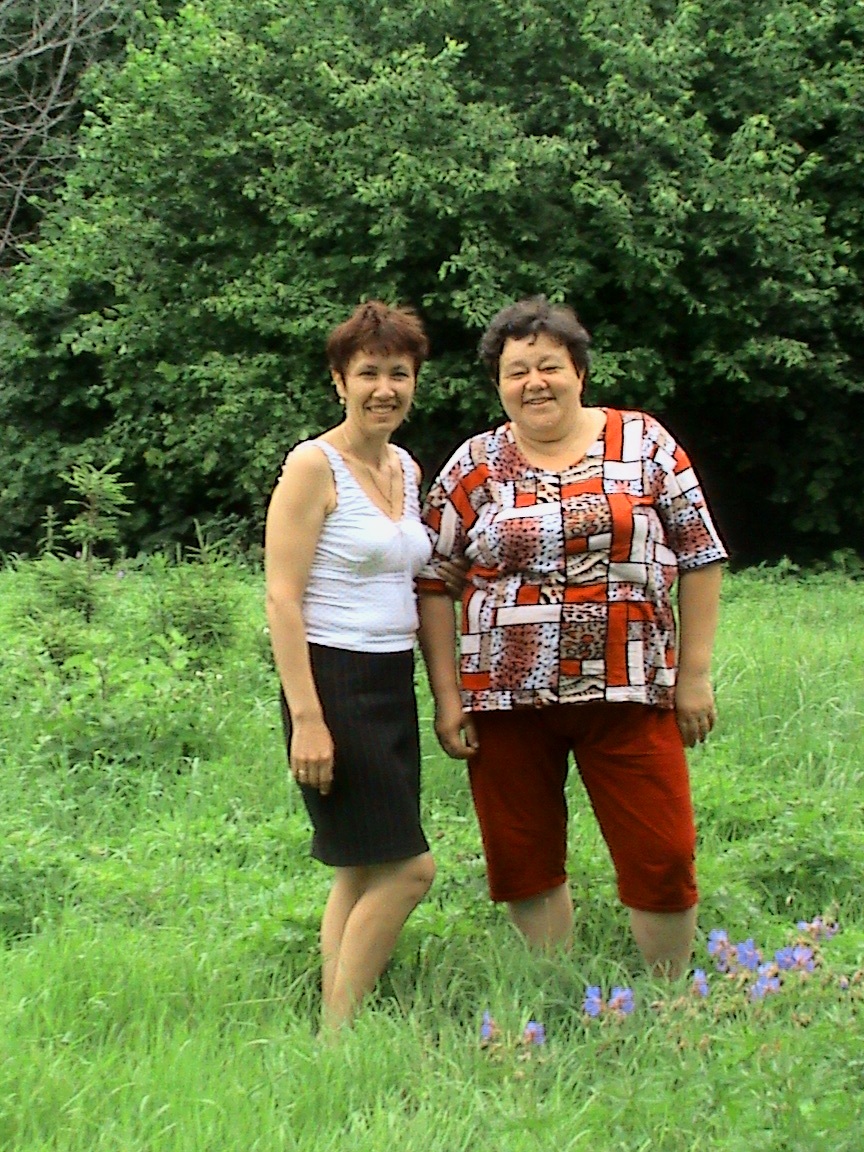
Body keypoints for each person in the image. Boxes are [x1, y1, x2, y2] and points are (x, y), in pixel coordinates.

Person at [418, 295, 727, 978]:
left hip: (632, 689)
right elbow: (433, 579)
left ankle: (669, 999)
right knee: (521, 852)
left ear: (579, 372)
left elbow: (701, 553)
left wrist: (695, 675)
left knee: (662, 850)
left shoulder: (644, 443)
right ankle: (555, 987)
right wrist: (447, 696)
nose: (535, 382)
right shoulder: (475, 463)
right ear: (499, 385)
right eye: (516, 371)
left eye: (549, 366)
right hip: (504, 700)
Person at [265, 300, 436, 1033]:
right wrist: (308, 719)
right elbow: (281, 596)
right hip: (333, 682)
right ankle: (342, 1033)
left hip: (391, 681)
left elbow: (410, 574)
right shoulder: (313, 464)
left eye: (399, 373)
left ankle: (332, 1026)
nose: (384, 389)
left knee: (362, 865)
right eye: (368, 373)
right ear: (339, 381)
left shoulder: (405, 466)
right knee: (410, 868)